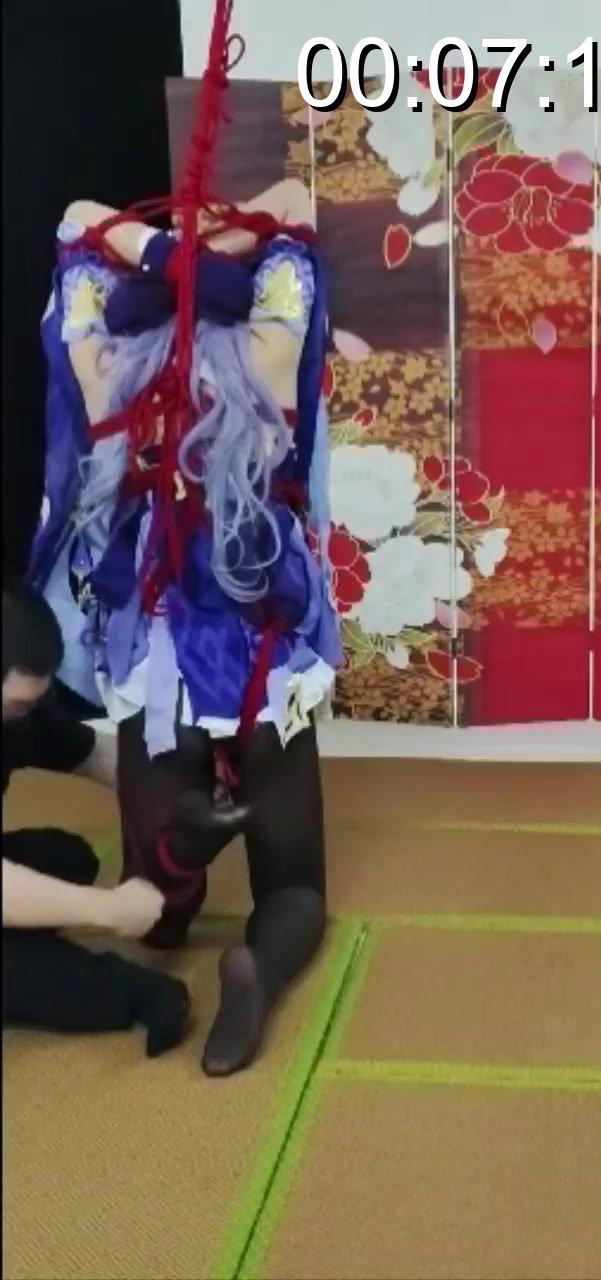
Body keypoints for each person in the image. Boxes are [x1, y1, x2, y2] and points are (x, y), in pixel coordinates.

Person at [28, 178, 342, 1075]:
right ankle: (259, 967)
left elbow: (76, 224)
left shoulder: (105, 362)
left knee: (155, 908)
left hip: (155, 660)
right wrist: (213, 255)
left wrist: (154, 254)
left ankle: (184, 845)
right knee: (297, 889)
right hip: (264, 658)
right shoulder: (270, 351)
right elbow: (298, 204)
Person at [2, 580, 190, 1056]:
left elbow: (94, 755)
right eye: (17, 706)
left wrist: (186, 792)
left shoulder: (17, 716)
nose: (26, 714)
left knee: (66, 859)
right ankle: (129, 991)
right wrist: (108, 911)